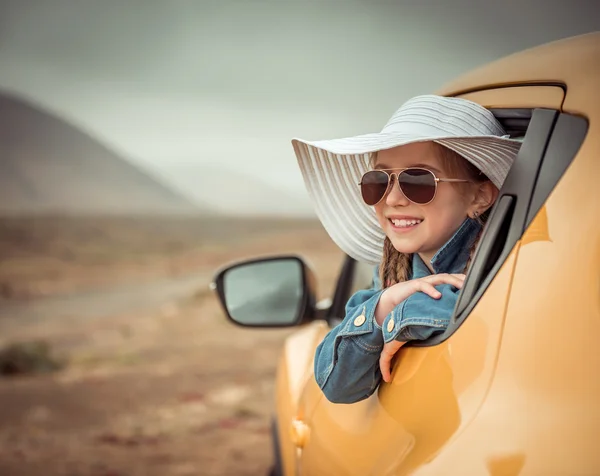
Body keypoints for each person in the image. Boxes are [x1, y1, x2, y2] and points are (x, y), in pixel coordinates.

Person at [291, 94, 522, 404]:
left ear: (479, 196)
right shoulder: (390, 276)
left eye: (418, 180)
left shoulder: (510, 261)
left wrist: (404, 316)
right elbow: (336, 385)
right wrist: (386, 304)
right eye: (378, 180)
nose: (393, 198)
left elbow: (491, 311)